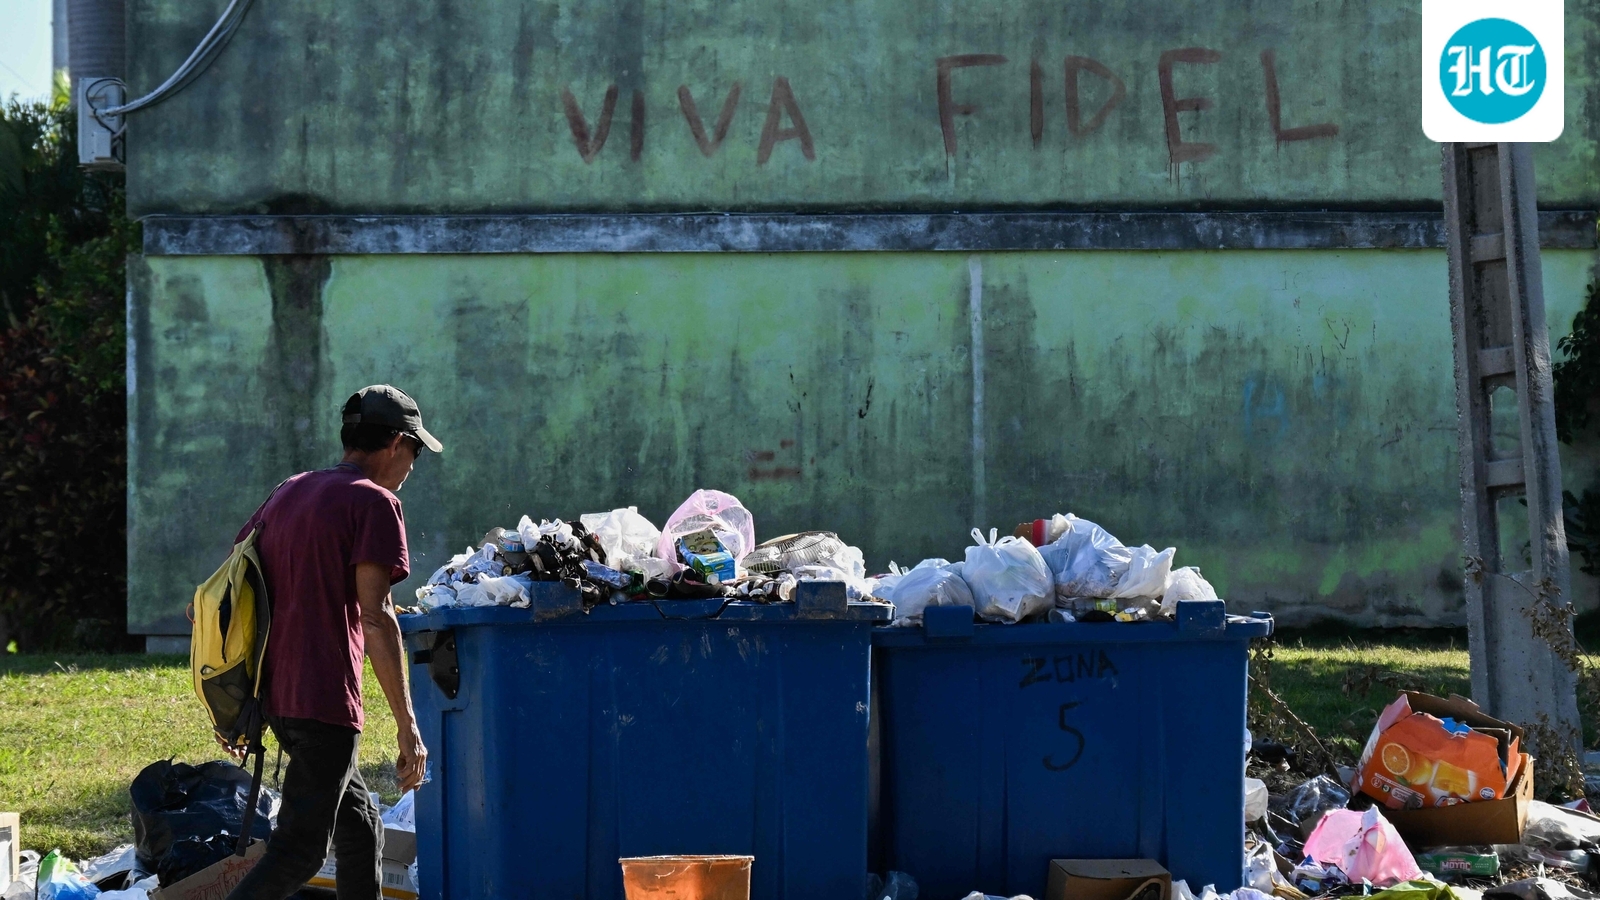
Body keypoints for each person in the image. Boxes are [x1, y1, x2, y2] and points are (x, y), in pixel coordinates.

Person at [225, 385, 442, 900]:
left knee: (361, 825)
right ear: (397, 442)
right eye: (415, 451)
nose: (412, 465)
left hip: (277, 697)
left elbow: (234, 579)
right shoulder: (376, 502)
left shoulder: (289, 490)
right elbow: (376, 617)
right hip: (323, 701)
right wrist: (408, 726)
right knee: (300, 851)